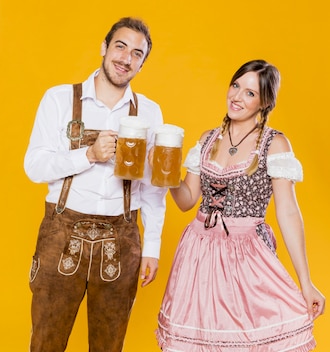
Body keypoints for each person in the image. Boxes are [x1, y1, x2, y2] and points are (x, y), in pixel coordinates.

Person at [155, 59, 326, 351]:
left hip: (247, 255)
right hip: (198, 254)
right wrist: (166, 174)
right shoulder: (208, 139)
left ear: (265, 102)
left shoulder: (274, 144)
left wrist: (306, 281)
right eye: (236, 85)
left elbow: (288, 212)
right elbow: (186, 201)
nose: (237, 96)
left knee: (250, 340)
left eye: (250, 92)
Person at [24, 17, 167, 352]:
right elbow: (34, 166)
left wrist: (152, 248)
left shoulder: (149, 112)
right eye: (120, 46)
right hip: (62, 234)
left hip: (122, 240)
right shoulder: (59, 99)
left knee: (109, 346)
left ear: (142, 64)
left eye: (137, 53)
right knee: (46, 343)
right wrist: (88, 154)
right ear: (104, 48)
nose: (126, 58)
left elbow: (154, 188)